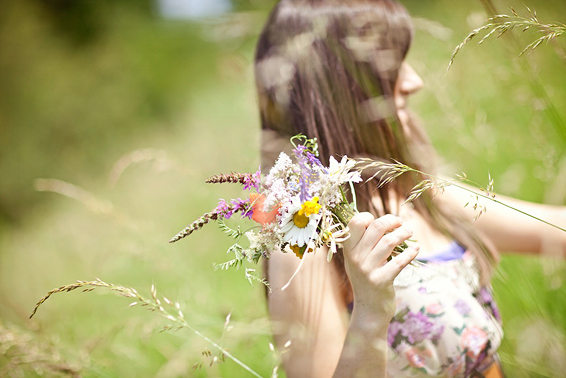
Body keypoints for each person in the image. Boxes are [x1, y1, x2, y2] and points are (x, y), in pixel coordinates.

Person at [254, 0, 566, 377]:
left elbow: (557, 232)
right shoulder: (303, 237)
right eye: (388, 65)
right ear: (337, 90)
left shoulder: (416, 193)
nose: (414, 80)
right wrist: (370, 311)